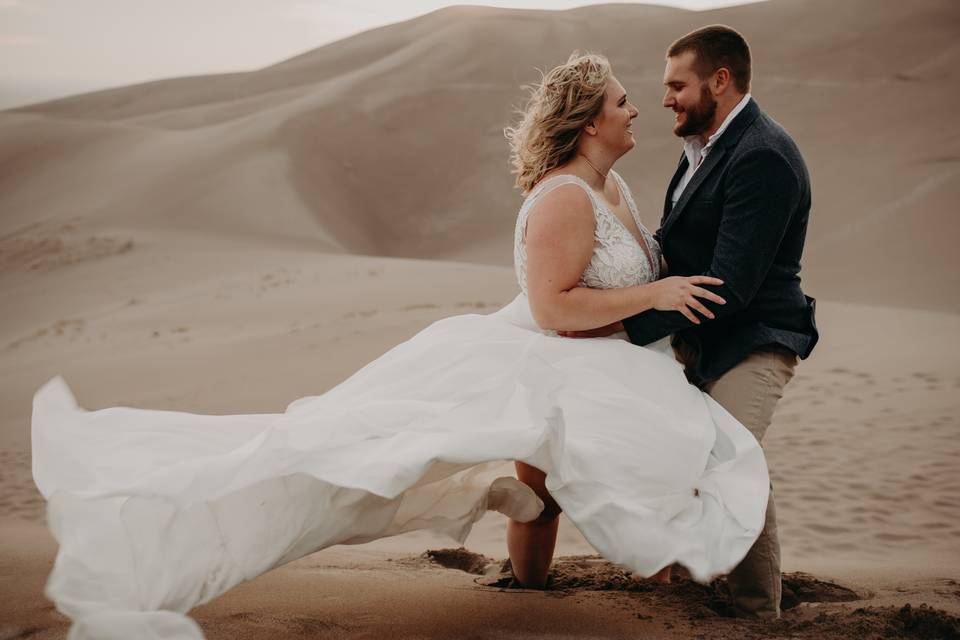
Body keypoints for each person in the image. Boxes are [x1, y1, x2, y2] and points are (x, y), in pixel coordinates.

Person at [31, 52, 770, 640]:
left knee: (586, 473)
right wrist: (651, 296)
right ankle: (636, 605)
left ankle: (551, 587)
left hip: (609, 356)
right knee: (611, 465)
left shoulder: (615, 189)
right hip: (561, 352)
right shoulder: (564, 198)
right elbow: (551, 308)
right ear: (587, 122)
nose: (635, 107)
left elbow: (635, 270)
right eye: (620, 102)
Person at [563, 27, 818, 619]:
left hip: (754, 340)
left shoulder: (762, 157)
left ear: (719, 81)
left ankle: (758, 610)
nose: (665, 98)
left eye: (677, 85)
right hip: (700, 336)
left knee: (731, 458)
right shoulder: (705, 146)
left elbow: (728, 289)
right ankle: (687, 584)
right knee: (677, 452)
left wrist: (625, 327)